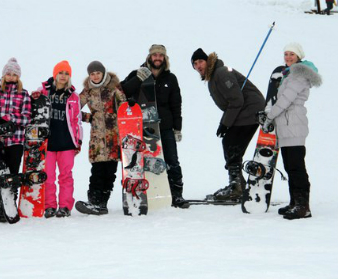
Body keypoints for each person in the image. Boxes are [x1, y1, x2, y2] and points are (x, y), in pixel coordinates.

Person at [191, 48, 265, 201]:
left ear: (207, 61)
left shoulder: (221, 73)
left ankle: (236, 186)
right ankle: (237, 184)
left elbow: (237, 100)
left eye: (201, 61)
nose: (198, 66)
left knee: (231, 143)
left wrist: (225, 124)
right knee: (230, 143)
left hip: (250, 110)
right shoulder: (213, 77)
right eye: (195, 64)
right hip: (245, 112)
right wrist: (225, 124)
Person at [121, 44, 189, 208]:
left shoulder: (170, 78)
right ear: (149, 57)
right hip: (143, 127)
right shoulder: (136, 73)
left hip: (165, 126)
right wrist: (138, 78)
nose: (157, 58)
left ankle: (177, 195)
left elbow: (176, 103)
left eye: (160, 55)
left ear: (165, 58)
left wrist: (177, 128)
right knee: (142, 161)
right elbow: (122, 91)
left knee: (172, 160)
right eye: (154, 55)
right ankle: (144, 194)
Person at [261, 43, 321, 219]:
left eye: (292, 54)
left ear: (298, 56)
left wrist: (270, 116)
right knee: (290, 166)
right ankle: (295, 202)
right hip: (287, 126)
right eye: (286, 54)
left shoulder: (298, 75)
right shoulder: (290, 74)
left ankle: (303, 206)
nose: (288, 57)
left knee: (296, 167)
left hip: (293, 124)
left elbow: (286, 100)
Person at [74, 61, 126, 215]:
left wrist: (117, 117)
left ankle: (102, 203)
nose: (95, 76)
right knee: (97, 171)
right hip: (97, 138)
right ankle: (93, 201)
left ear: (103, 73)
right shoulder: (87, 92)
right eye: (92, 73)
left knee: (110, 171)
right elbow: (72, 109)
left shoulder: (114, 88)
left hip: (113, 136)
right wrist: (89, 117)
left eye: (98, 73)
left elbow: (124, 105)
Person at [32, 61, 83, 218]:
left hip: (66, 142)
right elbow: (33, 110)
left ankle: (65, 206)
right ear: (55, 74)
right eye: (60, 72)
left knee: (66, 176)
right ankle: (49, 206)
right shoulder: (44, 92)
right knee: (48, 176)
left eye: (66, 73)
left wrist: (78, 140)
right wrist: (33, 98)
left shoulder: (74, 97)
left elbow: (77, 120)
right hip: (48, 142)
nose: (63, 76)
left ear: (69, 77)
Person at [0, 57, 31, 222]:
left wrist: (9, 119)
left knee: (11, 174)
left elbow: (26, 118)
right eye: (9, 74)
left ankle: (8, 205)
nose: (11, 77)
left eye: (14, 74)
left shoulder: (23, 94)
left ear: (18, 77)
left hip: (15, 141)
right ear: (4, 75)